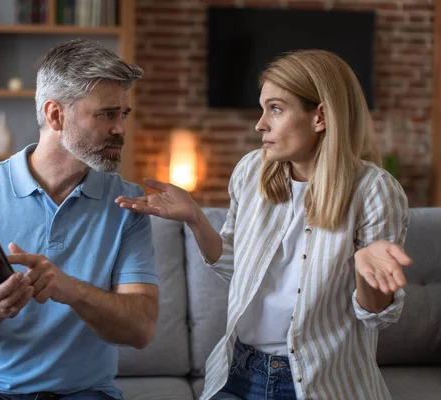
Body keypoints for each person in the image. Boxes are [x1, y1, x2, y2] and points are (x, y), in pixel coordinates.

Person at [116, 49, 411, 400]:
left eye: (276, 108)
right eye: (263, 108)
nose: (260, 124)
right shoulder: (250, 171)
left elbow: (377, 316)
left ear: (320, 117)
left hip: (321, 384)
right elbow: (235, 266)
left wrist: (367, 271)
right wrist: (195, 217)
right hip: (239, 372)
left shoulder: (374, 189)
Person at [0, 38, 159, 400]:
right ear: (55, 115)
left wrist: (70, 289)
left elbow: (141, 329)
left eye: (124, 114)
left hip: (84, 392)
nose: (121, 129)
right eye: (107, 114)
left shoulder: (128, 203)